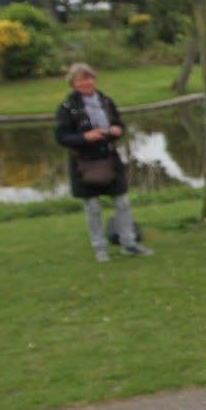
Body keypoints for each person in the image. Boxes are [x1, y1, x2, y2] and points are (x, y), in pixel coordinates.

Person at [54, 62, 153, 262]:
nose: (86, 83)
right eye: (80, 80)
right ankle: (99, 247)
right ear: (73, 84)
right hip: (84, 163)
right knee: (92, 207)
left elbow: (118, 123)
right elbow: (62, 137)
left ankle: (129, 243)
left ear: (94, 79)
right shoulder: (67, 108)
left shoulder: (106, 101)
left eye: (88, 78)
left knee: (122, 202)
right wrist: (85, 137)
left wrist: (117, 130)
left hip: (109, 159)